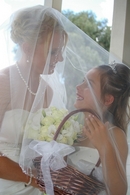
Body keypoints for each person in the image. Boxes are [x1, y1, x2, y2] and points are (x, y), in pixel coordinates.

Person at [0, 5, 68, 195]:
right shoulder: (2, 84)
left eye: (60, 51)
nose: (60, 58)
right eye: (53, 52)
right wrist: (34, 180)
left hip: (38, 184)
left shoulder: (48, 91)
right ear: (27, 48)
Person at [72, 62, 130, 195]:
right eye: (82, 81)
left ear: (107, 99)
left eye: (89, 85)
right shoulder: (75, 131)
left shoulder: (114, 134)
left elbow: (119, 192)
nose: (78, 87)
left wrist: (105, 148)